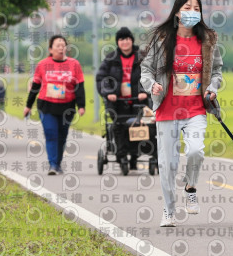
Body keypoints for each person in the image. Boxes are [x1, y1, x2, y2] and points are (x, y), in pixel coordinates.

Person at [140, 0, 223, 227]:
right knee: (168, 165)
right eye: (187, 8)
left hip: (195, 109)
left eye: (197, 9)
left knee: (196, 151)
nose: (192, 12)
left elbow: (216, 71)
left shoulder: (208, 41)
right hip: (167, 110)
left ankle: (190, 187)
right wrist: (152, 85)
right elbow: (146, 69)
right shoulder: (162, 39)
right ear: (177, 12)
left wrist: (213, 87)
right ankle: (169, 210)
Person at [24, 35, 85, 175]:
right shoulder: (43, 64)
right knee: (51, 133)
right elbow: (35, 86)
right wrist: (28, 105)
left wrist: (81, 106)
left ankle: (57, 163)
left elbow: (79, 86)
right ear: (51, 49)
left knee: (62, 136)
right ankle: (52, 164)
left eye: (63, 45)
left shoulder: (74, 64)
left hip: (67, 106)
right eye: (57, 45)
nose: (61, 48)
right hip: (47, 105)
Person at [96, 27, 149, 170]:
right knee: (118, 126)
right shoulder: (110, 59)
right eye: (121, 39)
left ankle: (134, 155)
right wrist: (109, 93)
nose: (124, 42)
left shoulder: (142, 57)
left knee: (138, 126)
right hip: (117, 102)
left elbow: (150, 75)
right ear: (117, 42)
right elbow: (101, 78)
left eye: (127, 39)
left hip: (138, 101)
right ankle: (121, 155)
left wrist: (144, 91)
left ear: (132, 40)